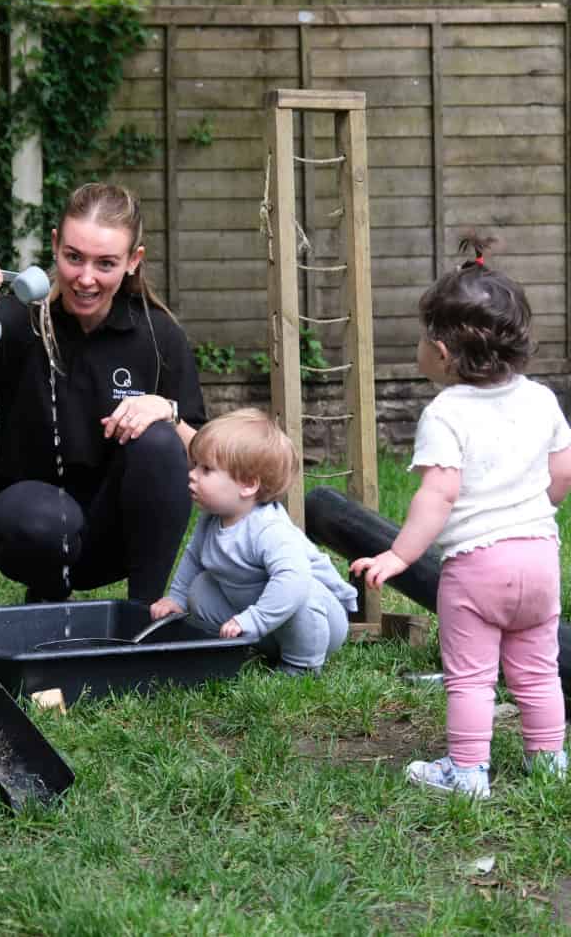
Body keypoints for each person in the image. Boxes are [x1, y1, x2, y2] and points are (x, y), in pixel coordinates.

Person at [351, 237, 571, 799]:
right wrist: (536, 512)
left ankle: (467, 772)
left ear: (444, 352)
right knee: (538, 669)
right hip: (540, 557)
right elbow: (563, 472)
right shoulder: (542, 398)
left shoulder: (446, 412)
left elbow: (440, 494)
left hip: (477, 566)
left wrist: (399, 554)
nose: (419, 346)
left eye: (423, 336)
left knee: (471, 675)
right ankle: (548, 760)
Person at [0, 182, 207, 603]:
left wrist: (167, 412)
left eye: (106, 263)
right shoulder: (25, 318)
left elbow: (204, 457)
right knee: (43, 520)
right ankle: (47, 601)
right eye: (73, 257)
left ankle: (143, 615)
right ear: (56, 245)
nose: (85, 278)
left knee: (159, 439)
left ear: (133, 261)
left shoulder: (159, 335)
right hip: (26, 524)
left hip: (116, 536)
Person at [150, 407, 356, 675]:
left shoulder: (269, 529)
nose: (192, 474)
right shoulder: (212, 519)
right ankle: (238, 645)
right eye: (195, 465)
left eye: (207, 470)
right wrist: (176, 597)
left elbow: (293, 580)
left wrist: (255, 618)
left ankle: (301, 665)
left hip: (320, 625)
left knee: (300, 592)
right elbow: (193, 557)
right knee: (200, 589)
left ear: (248, 485)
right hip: (260, 619)